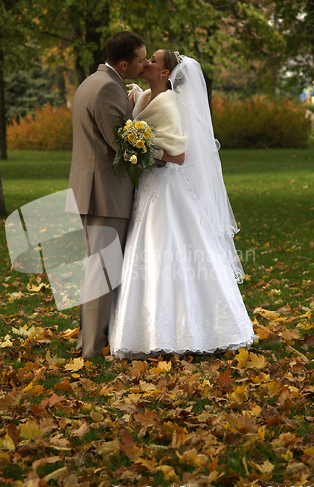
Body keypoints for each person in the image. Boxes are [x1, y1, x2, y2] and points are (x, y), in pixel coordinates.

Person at [108, 49, 257, 358]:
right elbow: (137, 114)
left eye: (154, 61)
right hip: (149, 187)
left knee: (169, 252)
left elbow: (178, 156)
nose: (146, 62)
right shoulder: (148, 95)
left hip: (165, 187)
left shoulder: (168, 105)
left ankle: (192, 329)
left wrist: (144, 148)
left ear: (165, 73)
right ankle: (149, 329)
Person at [67, 32, 149, 358]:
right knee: (101, 274)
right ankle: (90, 350)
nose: (144, 65)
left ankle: (87, 340)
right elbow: (124, 145)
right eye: (142, 60)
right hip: (104, 192)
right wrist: (140, 123)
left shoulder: (92, 82)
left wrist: (128, 111)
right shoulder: (107, 89)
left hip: (90, 188)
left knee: (95, 271)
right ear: (124, 63)